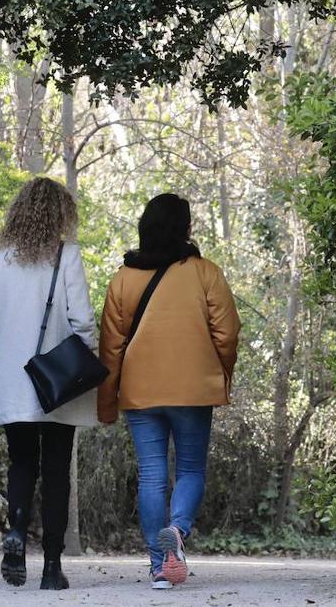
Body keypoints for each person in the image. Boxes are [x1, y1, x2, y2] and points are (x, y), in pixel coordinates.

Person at [97, 193, 240, 590]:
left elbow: (110, 348)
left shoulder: (123, 278)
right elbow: (227, 334)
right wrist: (219, 374)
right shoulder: (205, 272)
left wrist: (107, 402)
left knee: (151, 477)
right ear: (186, 228)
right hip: (193, 389)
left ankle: (160, 565)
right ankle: (177, 529)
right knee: (191, 469)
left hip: (140, 392)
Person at [0, 177, 98, 590]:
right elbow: (81, 322)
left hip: (13, 380)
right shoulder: (67, 256)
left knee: (21, 462)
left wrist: (11, 353)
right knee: (57, 470)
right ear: (61, 214)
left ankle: (16, 530)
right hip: (57, 381)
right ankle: (51, 567)